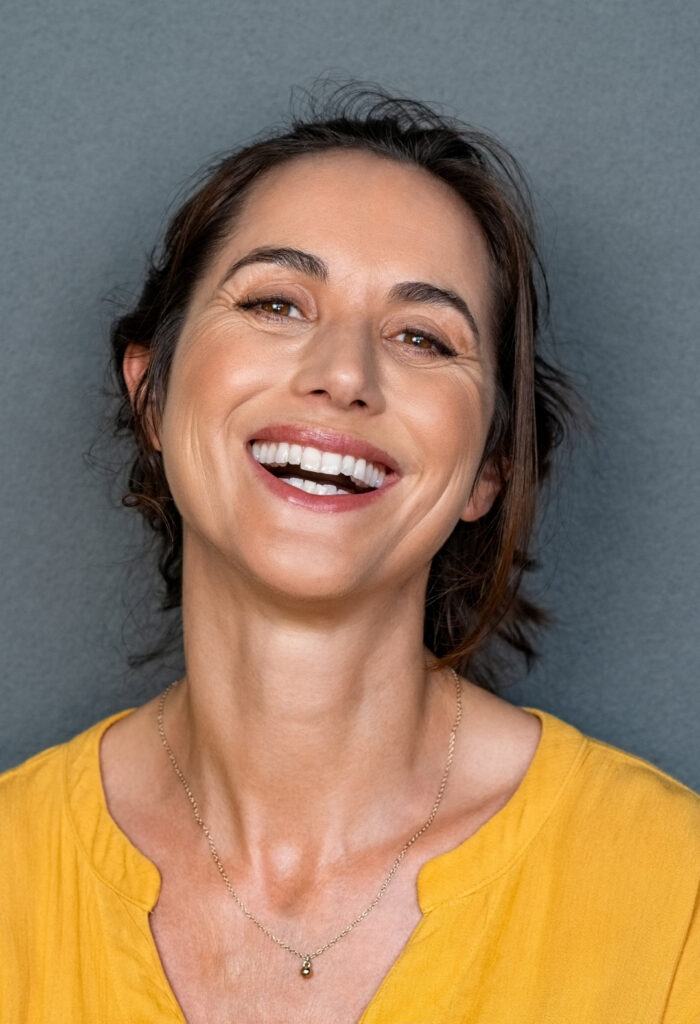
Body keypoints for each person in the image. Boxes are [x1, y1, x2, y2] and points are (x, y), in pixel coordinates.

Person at [1, 86, 698, 1024]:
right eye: (278, 302)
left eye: (422, 336)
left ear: (490, 467)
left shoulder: (670, 893)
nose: (343, 374)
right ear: (153, 395)